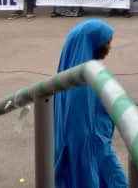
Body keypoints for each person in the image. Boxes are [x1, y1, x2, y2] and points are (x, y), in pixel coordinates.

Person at [54, 20, 127, 188]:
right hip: (94, 150)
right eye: (106, 43)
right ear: (91, 44)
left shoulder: (71, 76)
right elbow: (84, 135)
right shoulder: (81, 87)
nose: (109, 47)